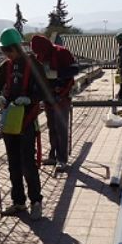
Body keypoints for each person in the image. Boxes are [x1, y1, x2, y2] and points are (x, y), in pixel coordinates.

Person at [0, 28, 45, 220]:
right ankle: (18, 201)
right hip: (10, 121)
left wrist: (29, 99)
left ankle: (36, 201)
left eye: (9, 50)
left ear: (17, 48)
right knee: (13, 163)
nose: (6, 54)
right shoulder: (5, 67)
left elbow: (43, 90)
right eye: (4, 51)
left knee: (28, 163)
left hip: (26, 120)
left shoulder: (34, 66)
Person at [30, 34, 79, 172]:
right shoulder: (40, 57)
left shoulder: (62, 53)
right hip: (49, 96)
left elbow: (74, 69)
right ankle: (53, 156)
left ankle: (62, 159)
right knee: (52, 127)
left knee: (61, 129)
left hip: (62, 95)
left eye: (41, 51)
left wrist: (57, 74)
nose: (40, 55)